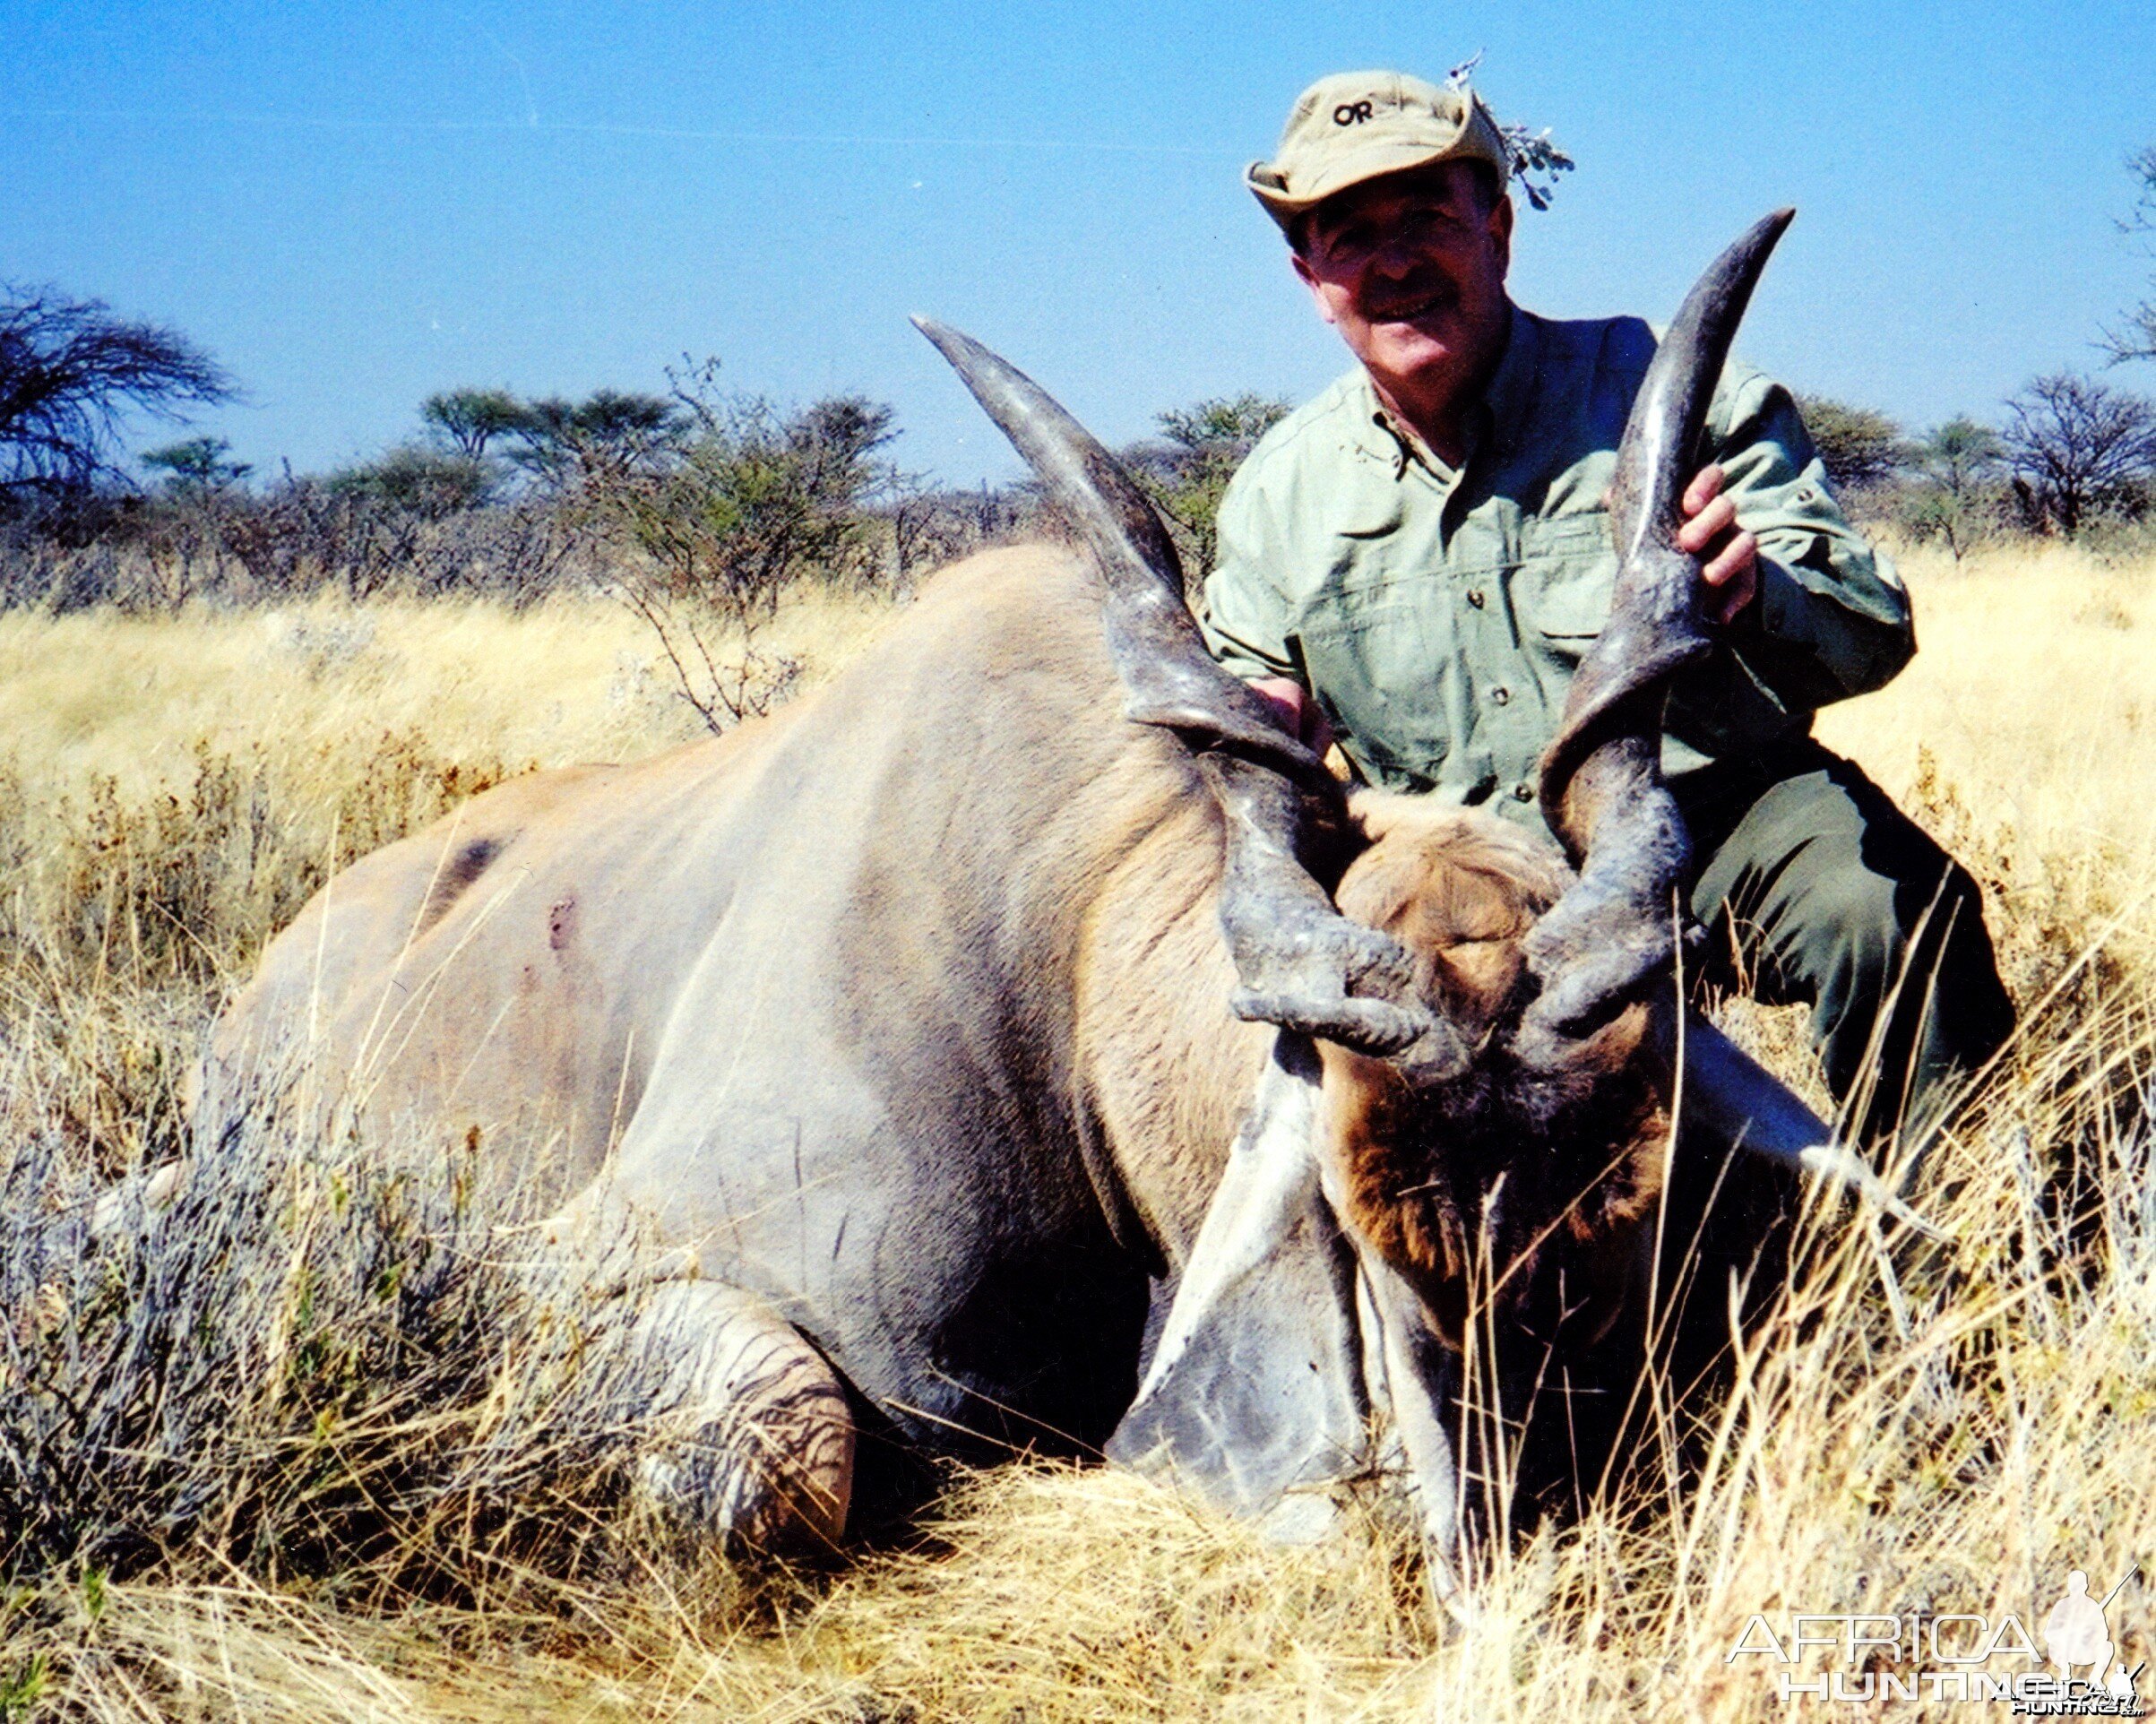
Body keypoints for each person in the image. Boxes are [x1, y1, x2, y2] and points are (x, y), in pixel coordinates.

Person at [1200, 69, 2014, 1144]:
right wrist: (1262, 734)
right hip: (1453, 885)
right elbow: (1242, 722)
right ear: (1312, 275)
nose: (1393, 258)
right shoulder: (1276, 493)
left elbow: (1870, 633)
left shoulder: (1678, 391)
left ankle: (1941, 1258)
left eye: (1425, 216)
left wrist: (1757, 590)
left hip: (1707, 816)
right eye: (1351, 234)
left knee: (1892, 916)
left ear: (1495, 228)